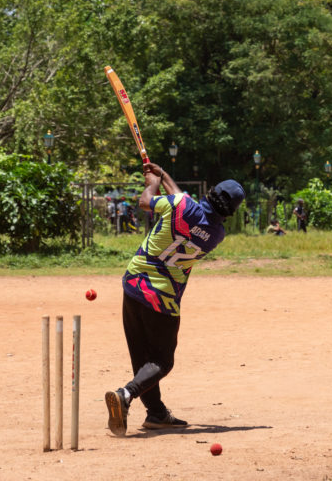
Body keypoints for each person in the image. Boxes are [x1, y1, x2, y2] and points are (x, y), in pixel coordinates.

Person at [104, 163, 245, 436]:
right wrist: (163, 175)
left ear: (212, 192)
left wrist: (153, 183)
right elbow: (183, 203)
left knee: (143, 358)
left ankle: (155, 413)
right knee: (161, 362)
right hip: (162, 298)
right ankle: (126, 394)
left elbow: (146, 202)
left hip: (134, 283)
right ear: (230, 211)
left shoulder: (181, 205)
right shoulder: (216, 235)